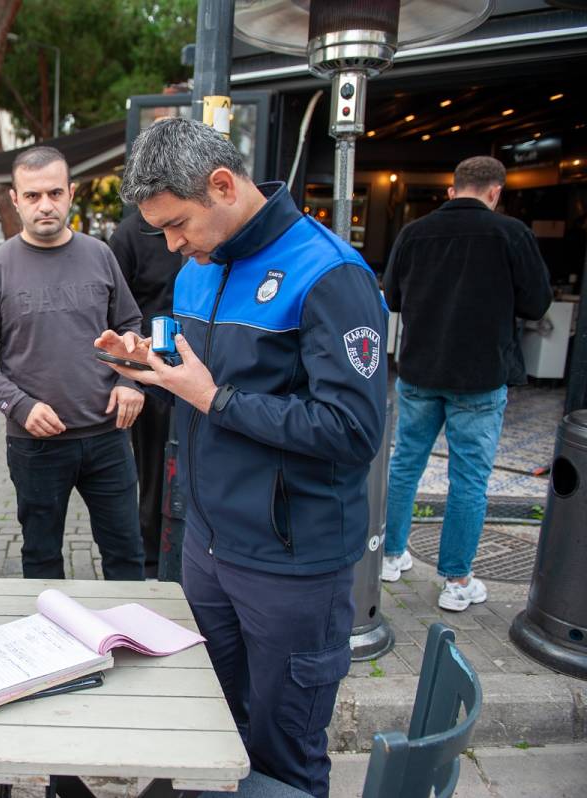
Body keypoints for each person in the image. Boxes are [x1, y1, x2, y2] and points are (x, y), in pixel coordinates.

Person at [97, 118, 387, 797]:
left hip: (292, 563)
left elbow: (353, 430)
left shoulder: (331, 272)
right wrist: (150, 364)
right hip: (208, 546)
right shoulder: (201, 268)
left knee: (283, 755)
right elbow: (199, 377)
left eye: (177, 225)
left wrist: (214, 397)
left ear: (223, 186)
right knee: (209, 734)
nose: (172, 246)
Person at [0, 146, 146, 581]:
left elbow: (130, 324)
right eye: (33, 195)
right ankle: (53, 644)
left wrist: (131, 383)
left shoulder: (100, 255)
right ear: (15, 199)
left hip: (108, 436)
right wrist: (19, 406)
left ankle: (134, 640)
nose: (45, 205)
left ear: (71, 193)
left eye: (55, 193)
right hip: (35, 443)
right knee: (42, 558)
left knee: (126, 553)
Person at [380, 156, 552, 610]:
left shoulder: (414, 233)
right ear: (496, 192)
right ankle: (456, 582)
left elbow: (392, 297)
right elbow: (537, 304)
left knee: (404, 467)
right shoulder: (512, 233)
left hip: (420, 370)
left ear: (452, 190)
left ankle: (391, 555)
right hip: (480, 376)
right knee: (469, 479)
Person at [108, 211, 185, 577]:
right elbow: (115, 311)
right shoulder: (129, 235)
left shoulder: (205, 227)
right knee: (154, 472)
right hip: (152, 374)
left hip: (207, 370)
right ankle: (153, 562)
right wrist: (130, 379)